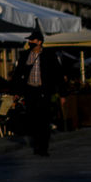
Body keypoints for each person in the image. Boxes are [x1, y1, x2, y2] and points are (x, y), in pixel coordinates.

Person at [12, 23, 61, 156]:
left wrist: (57, 91)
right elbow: (18, 74)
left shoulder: (49, 55)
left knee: (43, 120)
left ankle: (43, 147)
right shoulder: (25, 55)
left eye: (32, 40)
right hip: (30, 91)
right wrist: (17, 92)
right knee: (33, 120)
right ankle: (37, 144)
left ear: (39, 42)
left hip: (43, 91)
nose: (29, 42)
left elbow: (57, 73)